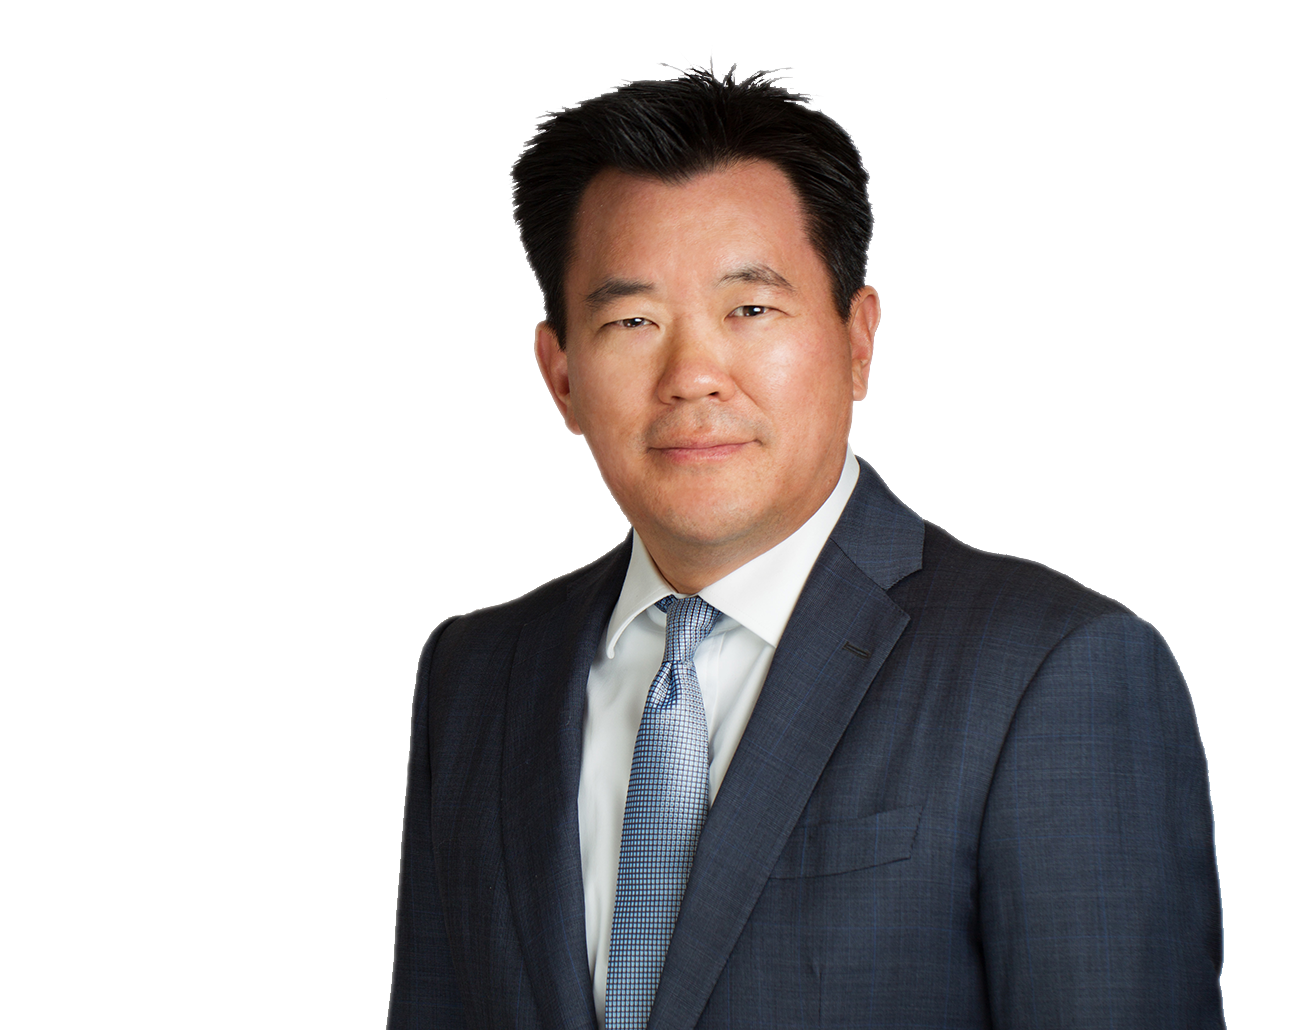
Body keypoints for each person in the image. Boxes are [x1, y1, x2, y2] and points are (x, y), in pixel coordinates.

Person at [387, 60, 1224, 1030]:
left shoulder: (1055, 672)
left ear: (857, 340)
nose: (693, 374)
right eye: (632, 319)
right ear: (561, 374)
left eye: (749, 309)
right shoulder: (476, 675)